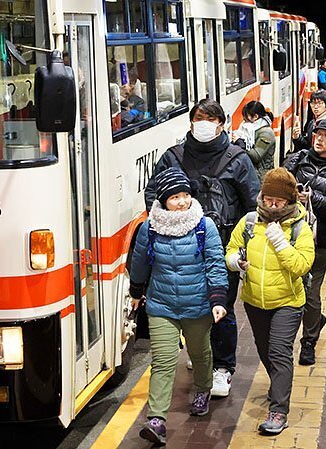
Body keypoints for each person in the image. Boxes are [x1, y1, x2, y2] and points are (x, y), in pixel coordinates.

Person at [145, 99, 260, 398]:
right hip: (179, 251)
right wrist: (165, 226)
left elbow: (253, 204)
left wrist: (244, 247)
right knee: (188, 308)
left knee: (221, 307)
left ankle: (222, 366)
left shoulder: (238, 159)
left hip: (222, 249)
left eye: (211, 118)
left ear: (222, 124)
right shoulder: (173, 157)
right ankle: (201, 356)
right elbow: (153, 194)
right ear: (190, 122)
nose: (204, 124)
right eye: (199, 117)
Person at [130, 168, 228, 444]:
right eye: (175, 197)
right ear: (163, 201)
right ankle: (157, 419)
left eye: (185, 195)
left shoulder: (203, 226)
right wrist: (136, 291)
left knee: (200, 352)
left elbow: (215, 264)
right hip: (161, 305)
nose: (183, 202)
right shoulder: (149, 228)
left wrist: (218, 299)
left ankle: (203, 388)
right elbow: (140, 262)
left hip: (197, 305)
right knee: (162, 361)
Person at [225, 168, 315, 435]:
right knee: (265, 351)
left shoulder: (300, 226)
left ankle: (279, 410)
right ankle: (278, 383)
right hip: (254, 301)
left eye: (279, 201)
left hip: (288, 301)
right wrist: (235, 262)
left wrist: (282, 245)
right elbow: (230, 250)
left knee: (278, 352)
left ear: (290, 201)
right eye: (268, 199)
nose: (272, 205)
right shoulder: (251, 222)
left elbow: (301, 266)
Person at [285, 117, 326, 365]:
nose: (320, 139)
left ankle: (308, 341)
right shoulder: (297, 159)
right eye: (317, 134)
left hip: (319, 240)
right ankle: (313, 322)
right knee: (290, 291)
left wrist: (313, 198)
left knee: (310, 294)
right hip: (289, 237)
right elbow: (277, 187)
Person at [234, 101, 276, 181]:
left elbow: (257, 156)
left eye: (246, 117)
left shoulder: (266, 133)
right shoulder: (251, 130)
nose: (244, 121)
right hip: (253, 173)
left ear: (255, 116)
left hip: (261, 176)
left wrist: (241, 144)